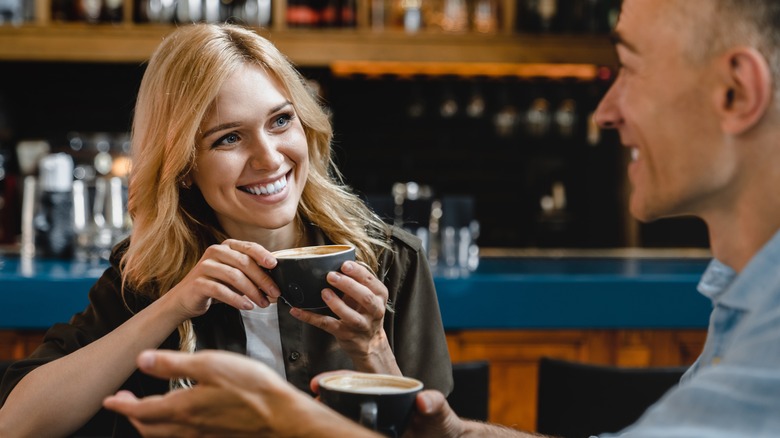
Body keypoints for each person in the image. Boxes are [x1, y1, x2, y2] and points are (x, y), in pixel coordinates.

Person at [105, 0, 780, 436]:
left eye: (627, 69)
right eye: (227, 137)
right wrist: (459, 434)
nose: (604, 112)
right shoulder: (740, 301)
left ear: (735, 92)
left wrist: (282, 417)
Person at [0, 23, 452, 437]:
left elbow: (430, 430)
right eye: (228, 138)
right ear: (182, 167)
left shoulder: (392, 261)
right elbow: (17, 424)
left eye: (280, 120)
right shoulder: (146, 276)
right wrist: (171, 307)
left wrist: (371, 346)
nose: (270, 158)